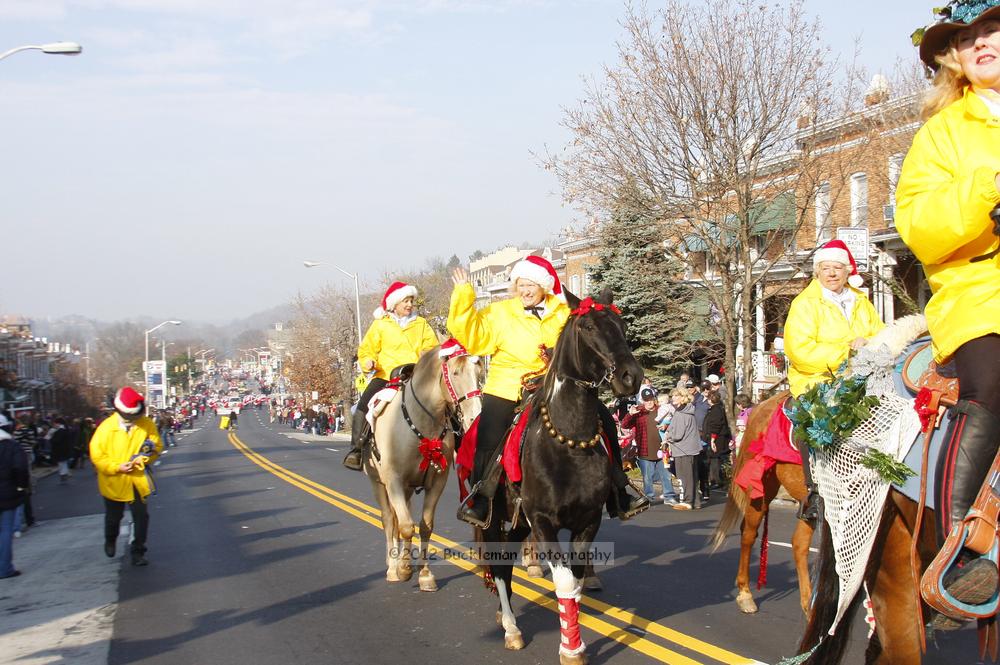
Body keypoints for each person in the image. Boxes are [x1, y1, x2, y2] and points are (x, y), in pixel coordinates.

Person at [897, 1, 1000, 608]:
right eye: (971, 37)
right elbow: (918, 225)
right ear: (955, 61)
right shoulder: (941, 133)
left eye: (995, 29)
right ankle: (962, 541)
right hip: (981, 296)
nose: (984, 42)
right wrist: (987, 188)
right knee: (993, 377)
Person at [450, 256, 648, 528]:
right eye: (520, 284)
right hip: (508, 387)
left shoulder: (563, 311)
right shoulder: (500, 313)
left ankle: (620, 488)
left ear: (543, 285)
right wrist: (463, 296)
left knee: (603, 421)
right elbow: (471, 335)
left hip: (555, 384)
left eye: (531, 284)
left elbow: (586, 339)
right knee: (489, 435)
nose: (525, 290)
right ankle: (482, 498)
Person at [343, 281, 440, 470]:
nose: (410, 305)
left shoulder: (421, 324)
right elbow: (366, 350)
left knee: (443, 402)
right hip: (387, 376)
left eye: (411, 301)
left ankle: (454, 444)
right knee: (363, 406)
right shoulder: (380, 325)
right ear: (394, 303)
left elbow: (432, 346)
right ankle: (356, 449)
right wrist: (368, 362)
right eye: (406, 301)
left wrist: (426, 354)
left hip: (415, 376)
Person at [784, 239, 884, 398]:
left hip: (866, 378)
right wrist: (849, 353)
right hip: (819, 383)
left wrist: (867, 342)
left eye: (837, 268)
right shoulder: (805, 303)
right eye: (825, 269)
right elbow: (799, 351)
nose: (831, 273)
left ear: (847, 271)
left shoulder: (861, 300)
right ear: (818, 272)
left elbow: (882, 335)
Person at [89, 387, 163, 566]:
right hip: (113, 481)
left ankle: (138, 551)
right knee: (114, 517)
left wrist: (144, 459)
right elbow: (97, 457)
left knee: (141, 516)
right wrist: (117, 467)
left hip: (137, 480)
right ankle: (110, 539)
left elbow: (156, 446)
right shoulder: (106, 428)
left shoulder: (146, 424)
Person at [621, 389, 668, 501]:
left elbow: (671, 421)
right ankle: (649, 496)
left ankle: (669, 495)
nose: (649, 402)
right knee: (647, 477)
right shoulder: (638, 412)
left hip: (662, 449)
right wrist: (630, 414)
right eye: (646, 400)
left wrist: (667, 426)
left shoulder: (662, 410)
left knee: (666, 475)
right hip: (644, 449)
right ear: (643, 401)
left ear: (654, 399)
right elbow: (625, 425)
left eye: (651, 399)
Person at [0, 414, 29, 579]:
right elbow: (20, 468)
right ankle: (4, 568)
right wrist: (21, 486)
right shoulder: (12, 446)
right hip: (8, 492)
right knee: (5, 531)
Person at [667, 387, 701, 510]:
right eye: (673, 396)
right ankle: (695, 501)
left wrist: (668, 436)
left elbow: (677, 435)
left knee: (684, 477)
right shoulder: (688, 411)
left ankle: (686, 501)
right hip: (691, 449)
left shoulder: (681, 413)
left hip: (683, 449)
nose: (673, 398)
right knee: (692, 476)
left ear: (683, 398)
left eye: (677, 396)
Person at [701, 391, 732, 490]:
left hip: (717, 438)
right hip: (712, 437)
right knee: (712, 459)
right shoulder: (715, 409)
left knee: (715, 460)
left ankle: (717, 481)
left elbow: (716, 426)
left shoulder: (716, 410)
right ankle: (713, 480)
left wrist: (713, 440)